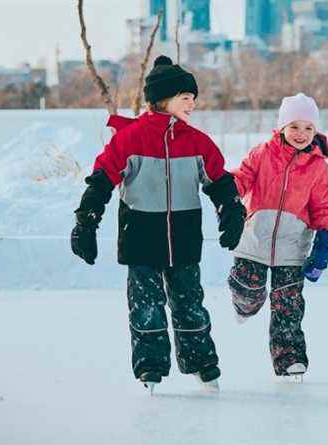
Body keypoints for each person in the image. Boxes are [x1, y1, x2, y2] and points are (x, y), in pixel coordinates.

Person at [71, 55, 246, 391]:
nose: (193, 104)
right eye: (186, 97)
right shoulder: (130, 139)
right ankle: (150, 366)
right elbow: (101, 181)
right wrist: (87, 221)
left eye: (194, 98)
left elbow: (219, 181)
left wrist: (232, 210)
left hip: (184, 239)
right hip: (140, 239)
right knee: (146, 307)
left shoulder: (197, 142)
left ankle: (201, 363)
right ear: (164, 99)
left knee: (190, 305)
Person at [228, 92, 328, 379]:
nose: (301, 134)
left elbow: (321, 205)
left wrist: (324, 239)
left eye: (308, 128)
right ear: (282, 127)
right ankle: (244, 305)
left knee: (288, 306)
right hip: (253, 240)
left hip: (292, 247)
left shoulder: (319, 167)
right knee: (247, 288)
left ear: (316, 131)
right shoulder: (262, 154)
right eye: (295, 126)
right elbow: (242, 177)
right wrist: (227, 191)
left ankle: (289, 359)